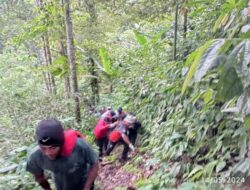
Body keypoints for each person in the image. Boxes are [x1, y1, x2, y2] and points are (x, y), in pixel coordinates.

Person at [26, 119, 99, 190]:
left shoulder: (79, 146)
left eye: (53, 147)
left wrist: (87, 187)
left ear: (61, 144)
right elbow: (39, 177)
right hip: (61, 186)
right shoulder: (35, 156)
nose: (48, 153)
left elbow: (95, 164)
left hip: (82, 182)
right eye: (43, 148)